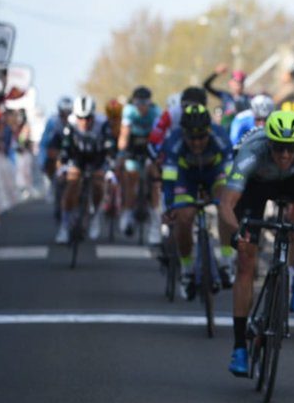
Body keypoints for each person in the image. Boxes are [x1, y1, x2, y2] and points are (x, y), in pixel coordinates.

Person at [218, 111, 294, 376]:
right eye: (279, 148)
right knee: (246, 260)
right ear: (269, 143)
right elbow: (227, 202)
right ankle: (239, 347)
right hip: (256, 187)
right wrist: (237, 233)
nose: (284, 155)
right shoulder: (252, 151)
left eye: (291, 149)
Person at [160, 104, 236, 295]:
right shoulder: (174, 140)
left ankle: (227, 261)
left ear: (209, 131)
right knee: (184, 217)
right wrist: (170, 206)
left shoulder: (219, 136)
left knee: (225, 203)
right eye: (192, 138)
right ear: (184, 132)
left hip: (214, 174)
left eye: (201, 136)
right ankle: (186, 270)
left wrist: (233, 201)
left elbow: (231, 173)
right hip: (187, 178)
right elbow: (169, 178)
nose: (196, 143)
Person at [54, 97, 115, 244]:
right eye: (81, 118)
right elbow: (65, 149)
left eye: (88, 118)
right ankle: (65, 225)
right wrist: (63, 167)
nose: (84, 122)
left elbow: (109, 148)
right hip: (77, 158)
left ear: (93, 115)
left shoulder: (103, 123)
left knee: (99, 185)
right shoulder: (71, 124)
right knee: (72, 182)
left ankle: (94, 217)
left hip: (97, 157)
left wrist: (109, 168)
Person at [116, 86, 162, 240]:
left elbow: (159, 135)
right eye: (138, 103)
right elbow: (124, 134)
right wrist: (122, 153)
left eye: (145, 103)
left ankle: (155, 220)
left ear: (150, 102)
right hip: (133, 147)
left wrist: (158, 156)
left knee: (155, 179)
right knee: (131, 178)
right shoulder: (129, 111)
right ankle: (127, 214)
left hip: (150, 145)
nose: (142, 106)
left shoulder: (156, 112)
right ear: (134, 102)